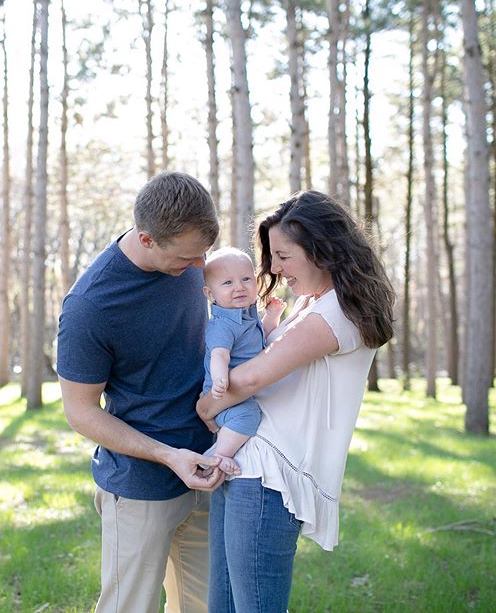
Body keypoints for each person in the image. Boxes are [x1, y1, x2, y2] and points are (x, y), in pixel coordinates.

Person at [196, 190, 395, 612]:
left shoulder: (336, 313)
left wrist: (205, 408)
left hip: (270, 479)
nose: (272, 268)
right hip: (243, 466)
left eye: (283, 255)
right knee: (223, 605)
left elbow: (251, 375)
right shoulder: (310, 305)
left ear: (321, 249)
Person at [56, 171, 225, 613]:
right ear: (147, 239)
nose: (199, 268)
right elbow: (80, 413)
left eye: (202, 254)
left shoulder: (189, 260)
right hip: (140, 487)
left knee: (208, 605)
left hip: (209, 468)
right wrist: (169, 455)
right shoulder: (90, 306)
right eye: (187, 259)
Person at [201, 247, 285, 475]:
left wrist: (272, 316)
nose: (239, 287)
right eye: (227, 283)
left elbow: (262, 339)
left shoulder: (248, 316)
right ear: (210, 294)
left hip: (240, 393)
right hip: (223, 395)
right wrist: (220, 380)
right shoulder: (222, 324)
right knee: (248, 414)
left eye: (246, 279)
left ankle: (218, 451)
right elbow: (219, 355)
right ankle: (219, 455)